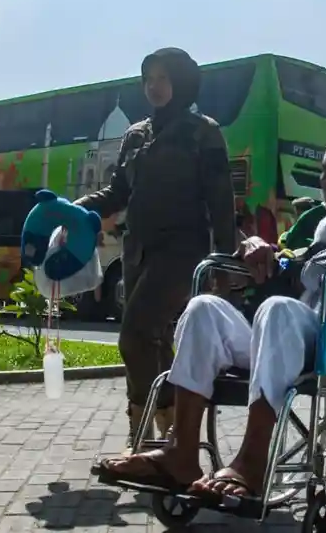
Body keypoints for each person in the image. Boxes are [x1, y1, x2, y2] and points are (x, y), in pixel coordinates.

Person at [95, 127, 326, 499]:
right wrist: (259, 247)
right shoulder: (309, 221)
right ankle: (181, 451)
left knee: (278, 309)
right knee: (203, 309)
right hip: (283, 336)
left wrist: (294, 257)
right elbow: (277, 260)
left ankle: (253, 462)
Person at [75, 48, 237, 446]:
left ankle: (159, 421)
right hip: (137, 253)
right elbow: (118, 193)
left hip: (182, 252)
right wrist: (75, 208)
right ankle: (158, 433)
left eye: (163, 78)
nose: (154, 86)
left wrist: (226, 261)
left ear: (181, 82)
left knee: (133, 334)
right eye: (148, 78)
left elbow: (221, 201)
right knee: (155, 341)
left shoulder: (204, 132)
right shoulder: (135, 135)